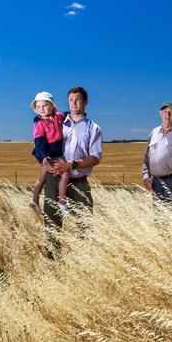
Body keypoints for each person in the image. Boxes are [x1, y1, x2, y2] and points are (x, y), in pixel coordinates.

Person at [44, 86, 103, 241]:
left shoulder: (93, 128)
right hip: (54, 180)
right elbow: (45, 143)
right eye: (71, 100)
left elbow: (95, 157)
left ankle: (85, 262)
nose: (73, 103)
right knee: (52, 224)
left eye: (78, 99)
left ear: (85, 102)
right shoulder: (58, 123)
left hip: (79, 182)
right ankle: (52, 262)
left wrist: (72, 164)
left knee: (86, 225)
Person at [29, 91, 70, 214]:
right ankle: (62, 202)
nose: (41, 109)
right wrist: (43, 156)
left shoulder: (58, 117)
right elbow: (39, 141)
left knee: (42, 177)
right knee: (66, 172)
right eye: (38, 107)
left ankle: (35, 200)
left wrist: (78, 113)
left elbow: (68, 114)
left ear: (52, 106)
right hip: (48, 153)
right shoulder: (39, 123)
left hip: (53, 152)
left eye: (44, 106)